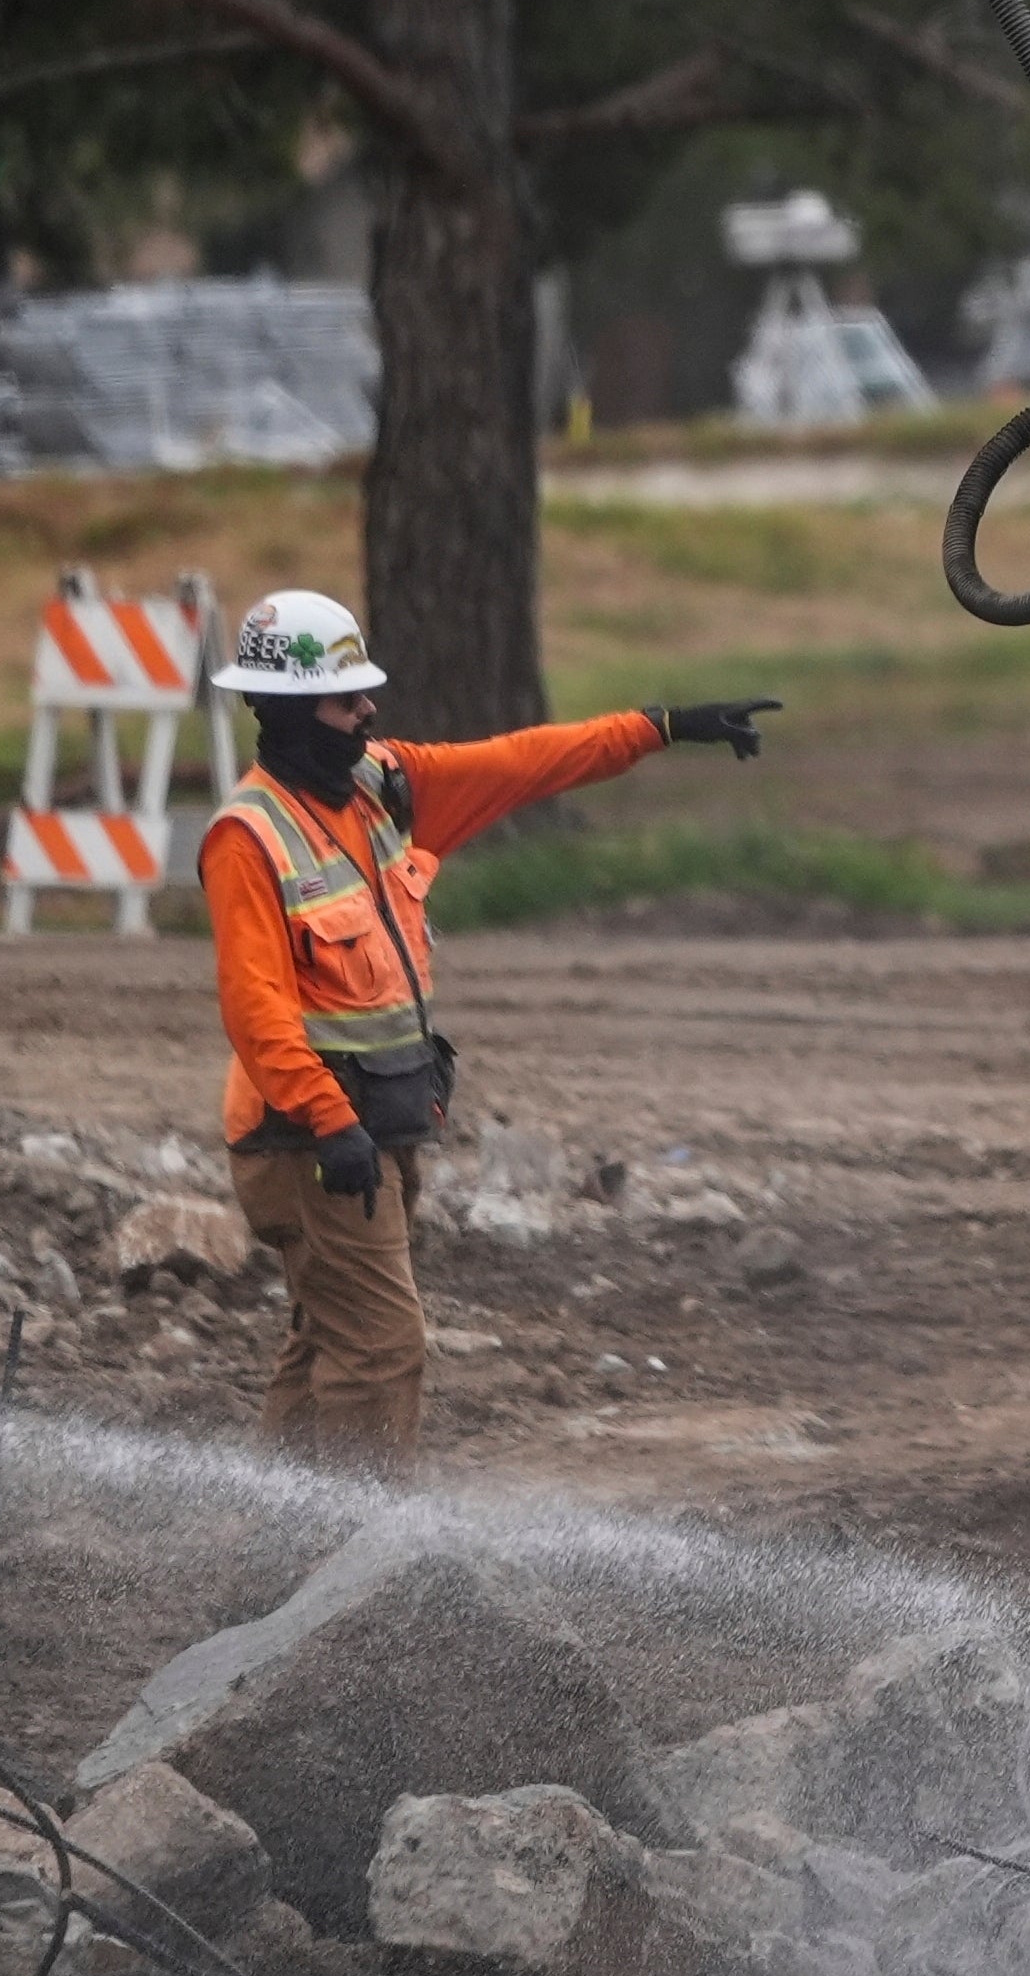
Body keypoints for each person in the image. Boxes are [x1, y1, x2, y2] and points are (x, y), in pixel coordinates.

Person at [199, 587, 778, 1475]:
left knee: (331, 1336)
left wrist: (658, 725)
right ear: (281, 708)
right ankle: (352, 1539)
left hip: (369, 1124)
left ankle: (272, 1526)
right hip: (309, 1138)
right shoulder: (249, 837)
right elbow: (255, 1004)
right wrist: (328, 1120)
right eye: (345, 697)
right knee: (383, 1345)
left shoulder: (380, 787)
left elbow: (523, 761)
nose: (367, 709)